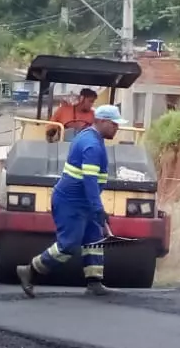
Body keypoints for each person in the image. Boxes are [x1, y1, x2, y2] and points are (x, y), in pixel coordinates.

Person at [17, 104, 124, 298]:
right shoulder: (91, 145)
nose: (117, 128)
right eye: (114, 124)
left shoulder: (89, 137)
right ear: (101, 121)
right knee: (68, 245)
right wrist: (98, 208)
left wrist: (96, 208)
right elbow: (89, 181)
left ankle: (94, 283)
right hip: (71, 202)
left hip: (83, 202)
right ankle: (30, 270)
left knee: (94, 240)